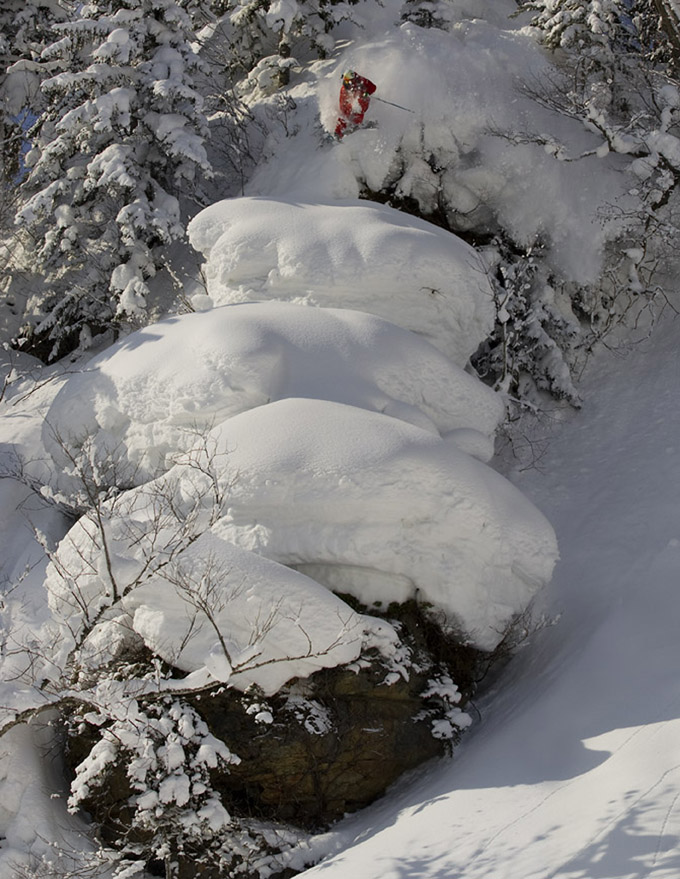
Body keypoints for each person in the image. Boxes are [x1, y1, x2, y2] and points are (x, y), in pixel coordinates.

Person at [334, 70, 377, 140]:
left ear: (352, 80)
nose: (345, 82)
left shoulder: (361, 81)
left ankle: (357, 124)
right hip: (351, 102)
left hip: (363, 100)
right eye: (345, 80)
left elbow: (373, 87)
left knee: (359, 104)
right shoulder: (344, 89)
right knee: (345, 111)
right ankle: (338, 132)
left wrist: (367, 93)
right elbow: (342, 107)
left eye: (347, 81)